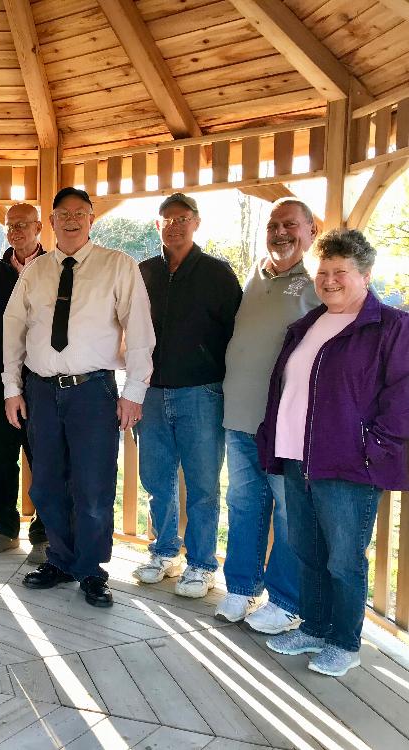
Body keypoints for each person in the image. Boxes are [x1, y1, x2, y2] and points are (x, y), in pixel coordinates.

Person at [260, 229, 409, 677]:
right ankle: (315, 627)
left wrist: (373, 450)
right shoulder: (308, 324)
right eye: (323, 272)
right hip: (295, 457)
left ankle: (345, 642)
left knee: (344, 559)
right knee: (307, 550)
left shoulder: (391, 327)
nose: (329, 280)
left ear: (365, 275)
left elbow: (402, 398)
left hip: (349, 465)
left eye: (340, 272)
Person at [3, 187, 154, 608]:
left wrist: (134, 392)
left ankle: (91, 569)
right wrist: (12, 388)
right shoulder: (34, 272)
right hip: (42, 392)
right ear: (50, 222)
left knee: (92, 485)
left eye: (80, 213)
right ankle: (62, 559)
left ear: (92, 219)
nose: (71, 220)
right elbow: (12, 329)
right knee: (48, 483)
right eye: (62, 213)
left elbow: (139, 331)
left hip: (93, 391)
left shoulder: (117, 265)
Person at [216, 199, 321, 633]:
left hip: (287, 423)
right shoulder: (254, 276)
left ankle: (285, 601)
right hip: (241, 416)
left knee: (287, 508)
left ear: (311, 231)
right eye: (274, 225)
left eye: (291, 225)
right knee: (243, 504)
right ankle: (242, 588)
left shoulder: (320, 282)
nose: (280, 232)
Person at [133, 193, 242, 598]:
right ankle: (163, 552)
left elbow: (235, 335)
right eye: (167, 219)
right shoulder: (143, 272)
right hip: (151, 394)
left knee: (202, 484)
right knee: (157, 481)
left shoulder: (217, 272)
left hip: (202, 393)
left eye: (182, 218)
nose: (174, 225)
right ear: (156, 226)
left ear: (196, 222)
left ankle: (200, 564)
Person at [0, 203, 47, 562]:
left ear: (38, 228)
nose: (16, 231)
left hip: (41, 377)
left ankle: (45, 534)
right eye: (10, 226)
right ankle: (5, 529)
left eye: (23, 225)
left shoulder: (54, 267)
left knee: (44, 455)